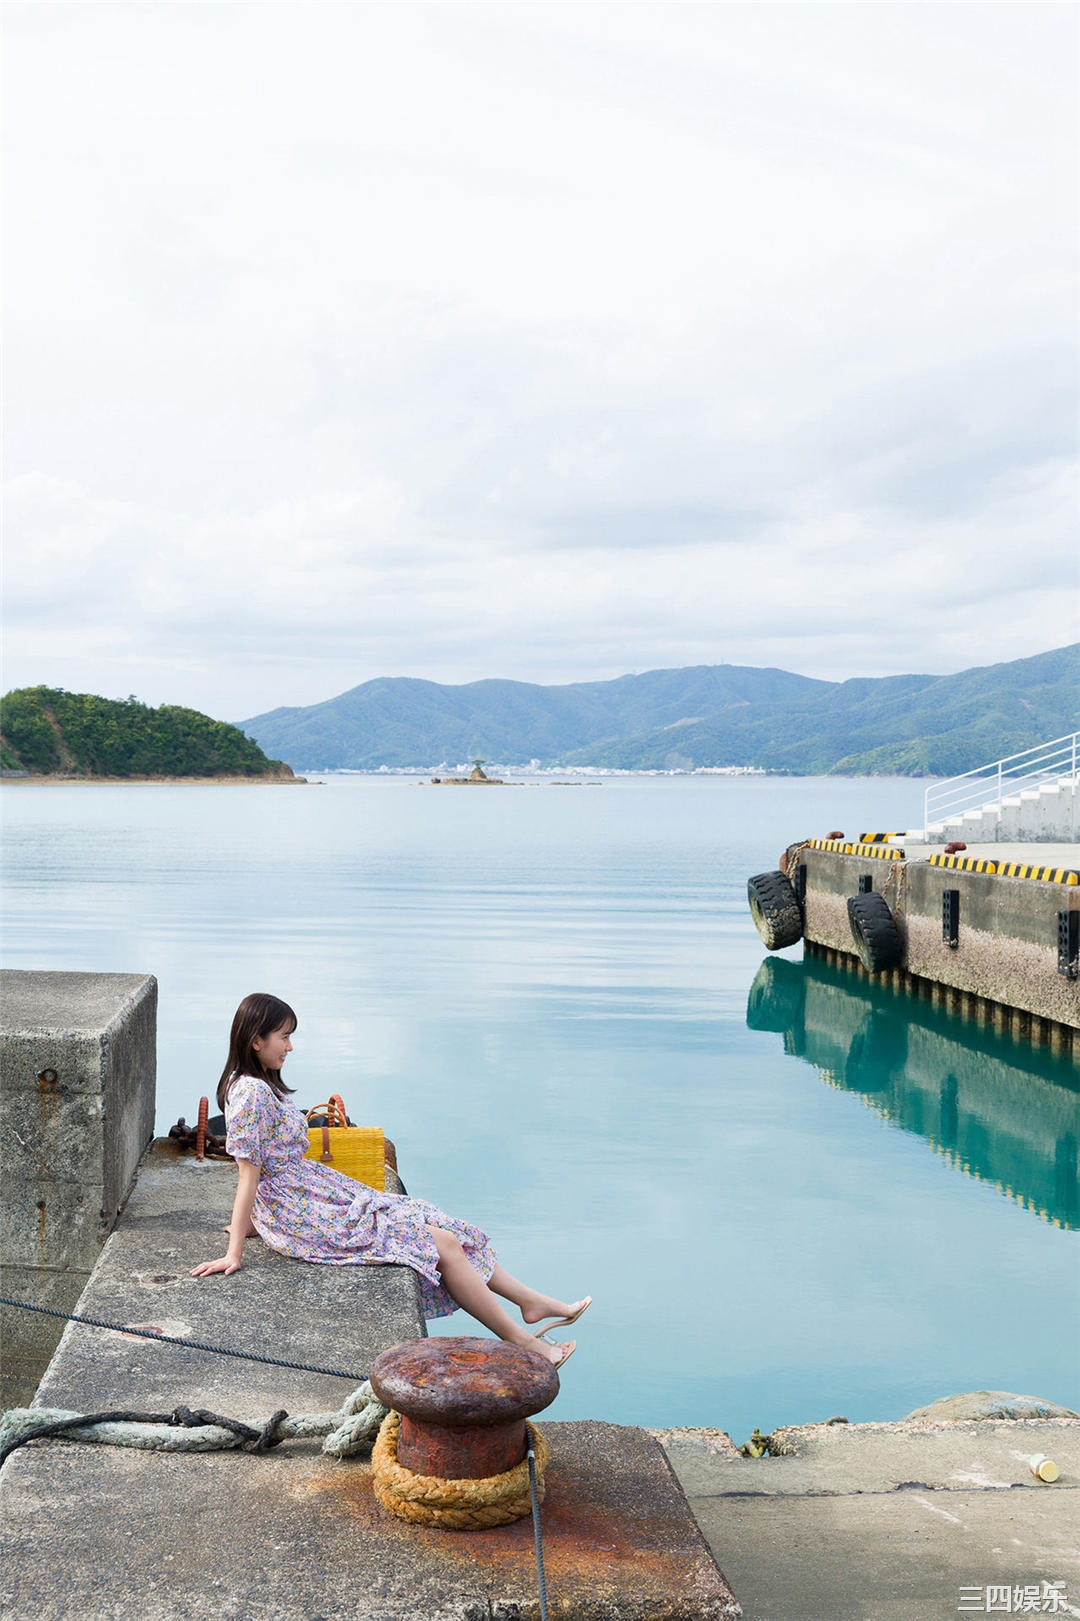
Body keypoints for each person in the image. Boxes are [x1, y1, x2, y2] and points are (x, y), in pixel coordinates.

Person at [190, 993, 589, 1371]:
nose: (290, 1046)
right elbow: (249, 1175)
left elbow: (263, 1170)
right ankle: (524, 1341)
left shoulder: (257, 1085)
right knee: (437, 1243)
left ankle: (529, 1302)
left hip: (309, 1195)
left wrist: (255, 1223)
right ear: (256, 1041)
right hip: (300, 1208)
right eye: (285, 1036)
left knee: (434, 1221)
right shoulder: (250, 1094)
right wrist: (235, 1250)